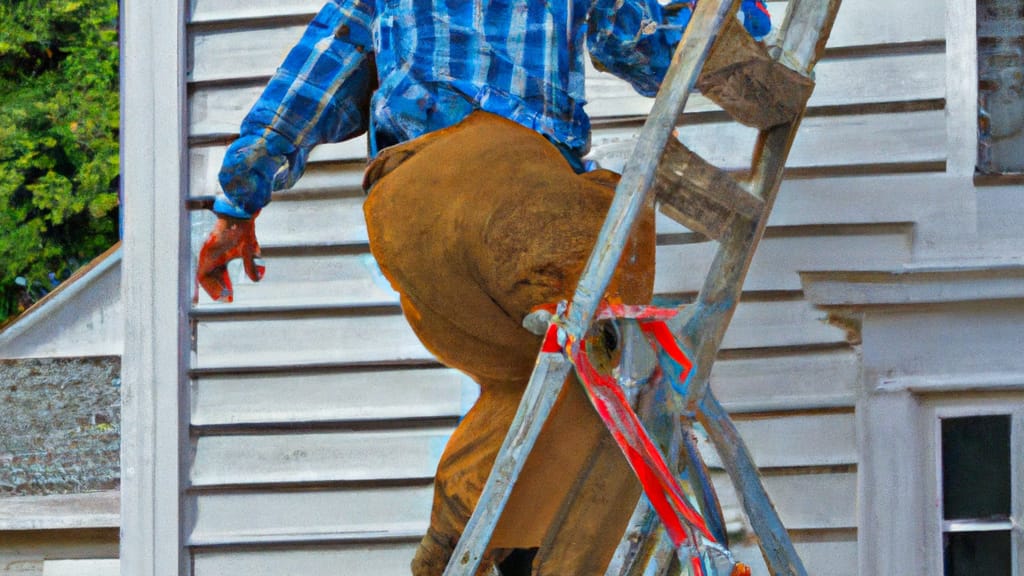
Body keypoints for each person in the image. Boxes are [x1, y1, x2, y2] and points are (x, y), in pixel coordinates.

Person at [196, 1, 770, 574]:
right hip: (512, 194)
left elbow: (322, 70)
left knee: (549, 388)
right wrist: (721, 16)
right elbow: (650, 50)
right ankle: (473, 535)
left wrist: (239, 202)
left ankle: (489, 548)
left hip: (408, 211)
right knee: (611, 346)